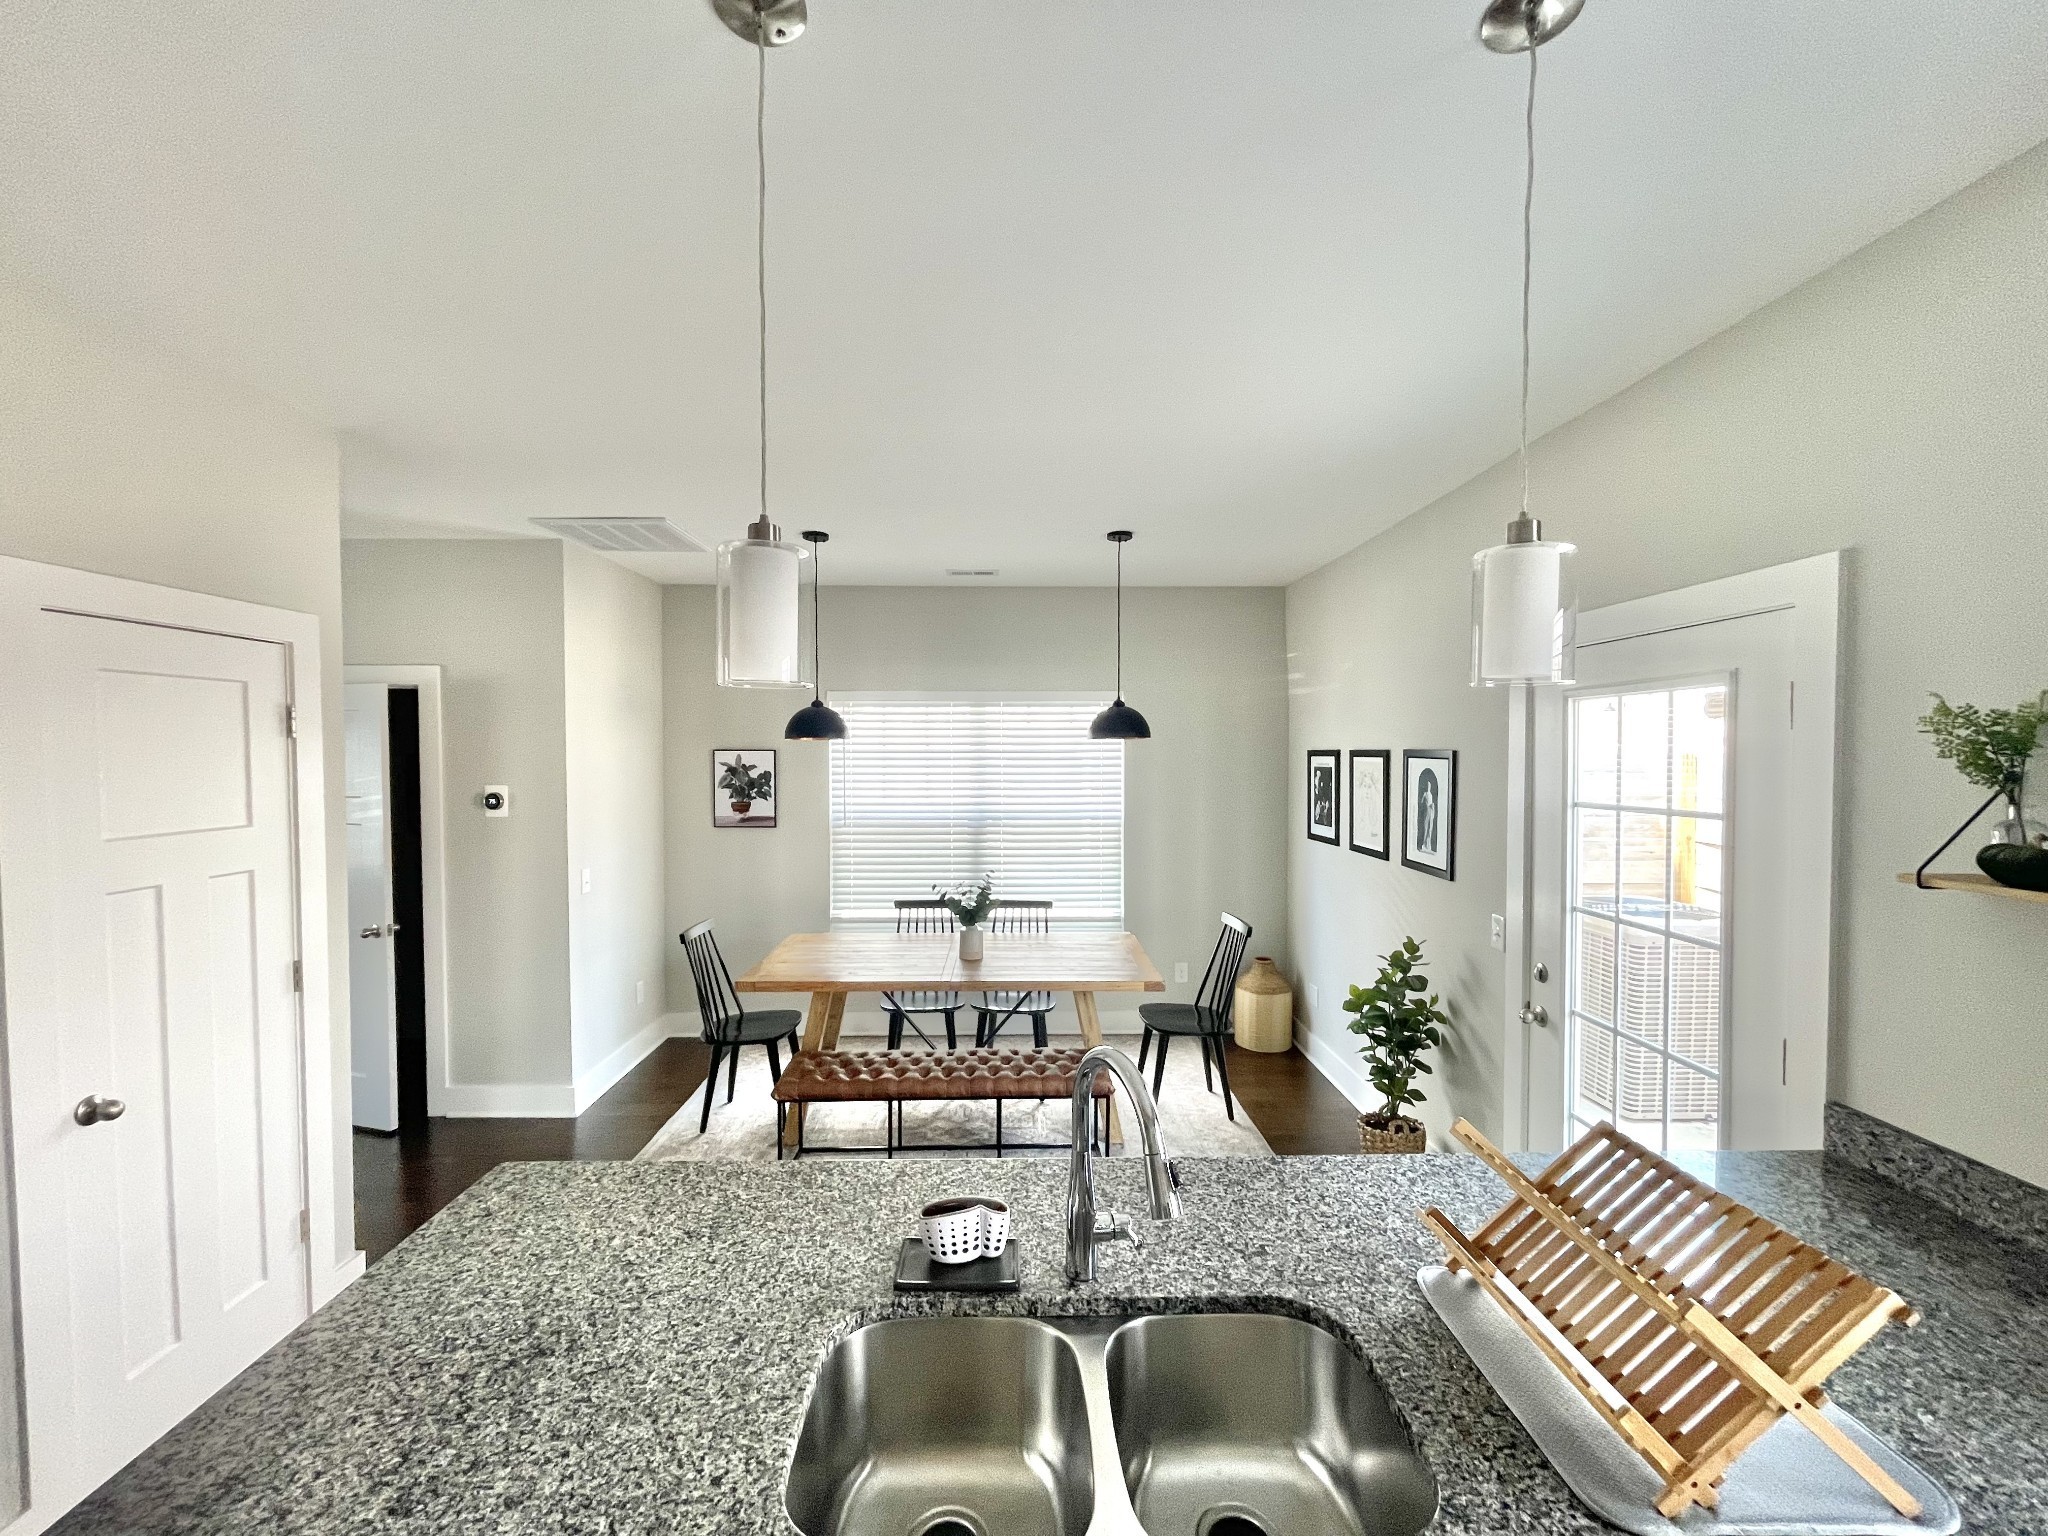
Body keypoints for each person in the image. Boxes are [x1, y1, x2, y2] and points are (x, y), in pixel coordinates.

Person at [1416, 767, 1440, 854]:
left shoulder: (1431, 794)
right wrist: (1425, 804)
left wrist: (1431, 806)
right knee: (1425, 827)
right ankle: (1423, 844)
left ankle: (1428, 845)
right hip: (1426, 811)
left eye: (1429, 786)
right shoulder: (1426, 794)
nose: (1428, 787)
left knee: (1430, 827)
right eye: (1427, 785)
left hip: (1431, 810)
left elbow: (1432, 803)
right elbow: (1422, 802)